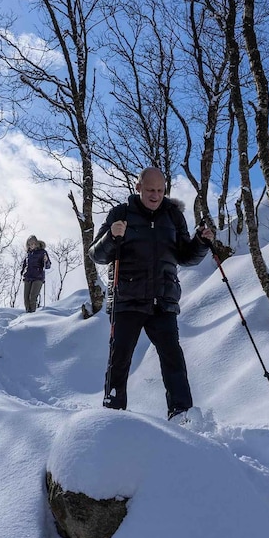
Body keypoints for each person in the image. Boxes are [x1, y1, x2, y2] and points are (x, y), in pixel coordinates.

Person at [88, 166, 215, 420]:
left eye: (160, 190)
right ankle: (113, 412)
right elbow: (96, 255)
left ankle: (181, 414)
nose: (155, 195)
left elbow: (185, 257)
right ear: (138, 187)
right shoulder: (121, 214)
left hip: (163, 300)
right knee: (120, 357)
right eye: (150, 190)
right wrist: (111, 238)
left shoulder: (173, 216)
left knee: (173, 358)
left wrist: (201, 243)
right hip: (127, 298)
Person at [21, 235, 51, 313]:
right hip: (28, 277)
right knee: (26, 298)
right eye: (30, 244)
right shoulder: (28, 254)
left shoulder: (42, 252)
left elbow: (48, 266)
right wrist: (22, 272)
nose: (32, 245)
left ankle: (33, 315)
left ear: (36, 243)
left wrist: (46, 261)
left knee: (32, 297)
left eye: (33, 243)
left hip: (38, 277)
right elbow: (24, 265)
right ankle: (28, 313)